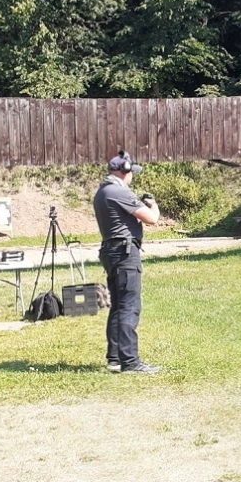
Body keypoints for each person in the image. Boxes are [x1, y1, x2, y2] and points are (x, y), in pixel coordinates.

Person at [93, 151, 161, 374]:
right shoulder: (118, 191)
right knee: (129, 306)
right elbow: (151, 219)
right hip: (124, 253)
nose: (133, 177)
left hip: (113, 251)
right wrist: (153, 204)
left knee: (119, 306)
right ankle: (130, 362)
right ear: (125, 171)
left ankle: (115, 358)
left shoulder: (103, 191)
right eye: (132, 172)